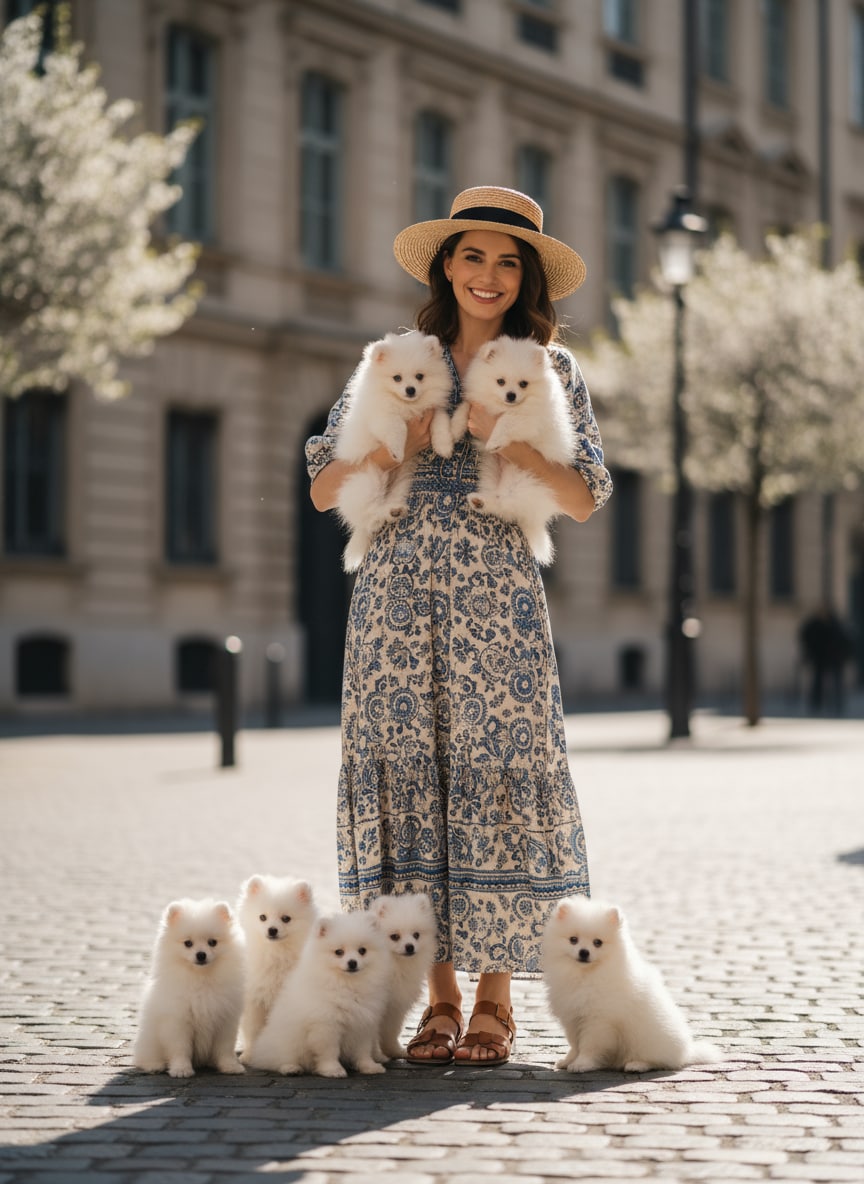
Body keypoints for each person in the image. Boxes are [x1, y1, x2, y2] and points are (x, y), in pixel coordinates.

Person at [304, 186, 612, 1066]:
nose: (489, 275)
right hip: (395, 604)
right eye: (473, 256)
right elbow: (325, 483)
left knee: (498, 776)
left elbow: (587, 497)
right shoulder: (397, 357)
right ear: (446, 264)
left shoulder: (551, 370)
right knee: (414, 780)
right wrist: (396, 438)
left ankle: (494, 1004)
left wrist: (502, 439)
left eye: (507, 262)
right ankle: (434, 999)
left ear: (527, 280)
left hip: (496, 603)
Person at [798, 604, 853, 715]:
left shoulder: (835, 624)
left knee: (836, 683)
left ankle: (837, 704)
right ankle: (816, 704)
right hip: (820, 658)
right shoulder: (815, 624)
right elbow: (806, 636)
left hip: (835, 658)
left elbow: (844, 641)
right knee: (818, 682)